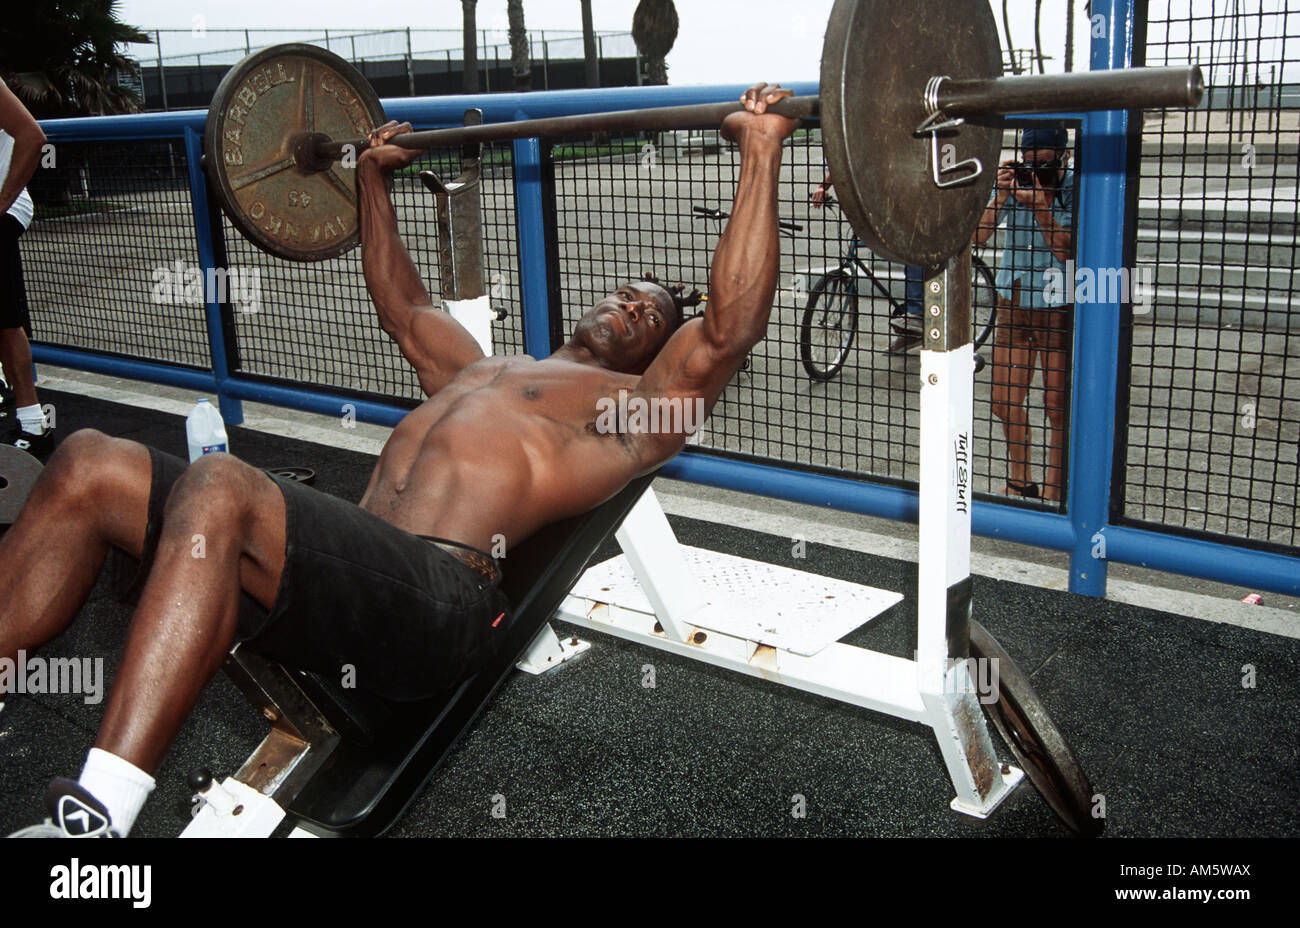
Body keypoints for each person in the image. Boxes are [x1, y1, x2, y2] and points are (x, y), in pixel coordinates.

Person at [1, 83, 800, 838]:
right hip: (353, 576)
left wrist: (759, 150)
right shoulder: (486, 368)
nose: (630, 307)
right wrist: (371, 178)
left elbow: (728, 332)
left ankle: (95, 822)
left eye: (650, 315)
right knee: (88, 462)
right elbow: (403, 306)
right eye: (627, 293)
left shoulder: (626, 414)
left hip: (436, 608)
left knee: (220, 485)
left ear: (655, 350)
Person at [972, 127, 1075, 502]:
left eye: (1046, 166)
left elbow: (1066, 251)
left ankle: (1055, 484)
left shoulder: (1078, 187)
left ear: (1064, 158)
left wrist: (1041, 205)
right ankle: (1020, 479)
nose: (1038, 173)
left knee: (1056, 406)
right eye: (1031, 164)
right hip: (1013, 300)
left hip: (1058, 304)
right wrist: (1000, 195)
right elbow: (977, 237)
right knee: (1003, 400)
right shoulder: (1016, 182)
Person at [811, 171, 925, 355]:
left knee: (914, 248)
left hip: (911, 198)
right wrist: (823, 187)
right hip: (879, 203)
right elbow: (843, 163)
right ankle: (911, 327)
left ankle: (917, 314)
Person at [0, 80, 50, 458]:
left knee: (5, 318)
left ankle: (34, 425)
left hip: (6, 205)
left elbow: (33, 138)